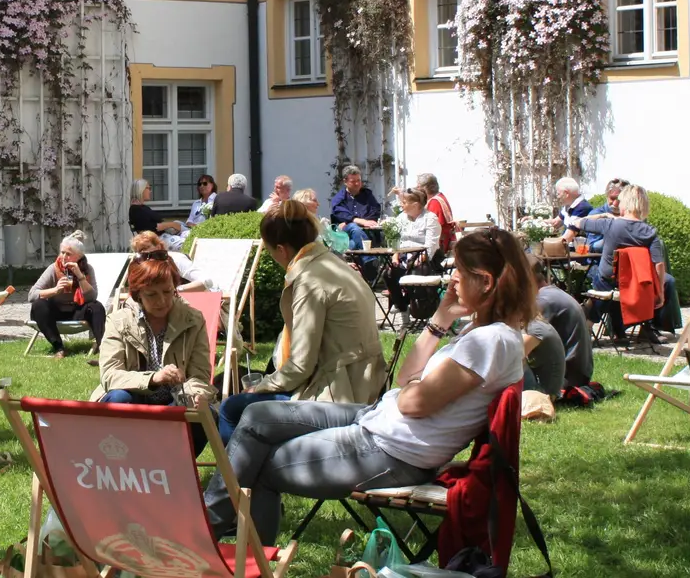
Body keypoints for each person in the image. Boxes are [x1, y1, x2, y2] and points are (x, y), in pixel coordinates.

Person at [202, 226, 532, 545]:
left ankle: (209, 537)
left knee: (260, 462)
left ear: (485, 281)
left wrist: (415, 389)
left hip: (392, 451)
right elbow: (406, 379)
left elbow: (412, 403)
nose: (452, 277)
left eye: (459, 270)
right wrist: (441, 320)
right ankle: (208, 528)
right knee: (257, 416)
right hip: (376, 419)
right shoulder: (482, 334)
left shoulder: (491, 342)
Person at [217, 201, 384, 442]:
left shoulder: (309, 281)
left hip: (341, 394)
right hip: (366, 381)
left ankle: (231, 468)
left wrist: (262, 386)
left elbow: (300, 366)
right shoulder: (333, 263)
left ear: (281, 250)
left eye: (269, 251)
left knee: (231, 408)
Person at [92, 258, 216, 454]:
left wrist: (194, 395)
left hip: (176, 401)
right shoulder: (117, 321)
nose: (162, 301)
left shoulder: (193, 319)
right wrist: (153, 378)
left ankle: (173, 466)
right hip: (133, 399)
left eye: (168, 292)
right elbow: (109, 375)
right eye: (152, 294)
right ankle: (130, 464)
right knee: (119, 398)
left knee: (202, 410)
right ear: (138, 295)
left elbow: (200, 375)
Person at [581, 183, 679, 341]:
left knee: (603, 279)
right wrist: (659, 292)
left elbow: (579, 222)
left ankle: (589, 323)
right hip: (636, 284)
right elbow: (659, 264)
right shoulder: (649, 232)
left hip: (608, 283)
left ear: (624, 203)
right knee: (658, 281)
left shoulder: (611, 224)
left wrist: (603, 215)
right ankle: (639, 328)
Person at [29, 231, 105, 359]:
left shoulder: (87, 269)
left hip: (77, 310)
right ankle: (59, 348)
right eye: (62, 252)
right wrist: (55, 290)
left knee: (97, 307)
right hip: (56, 311)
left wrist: (80, 277)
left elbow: (92, 297)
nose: (64, 257)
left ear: (79, 256)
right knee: (38, 305)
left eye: (68, 254)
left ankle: (102, 346)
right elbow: (32, 295)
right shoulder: (54, 269)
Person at [532, 255, 594, 389]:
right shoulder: (551, 293)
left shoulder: (543, 301)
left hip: (568, 379)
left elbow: (526, 343)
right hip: (579, 374)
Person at [130, 231, 214, 293]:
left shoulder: (176, 259)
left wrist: (176, 290)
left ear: (158, 246)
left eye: (146, 247)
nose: (144, 252)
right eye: (140, 250)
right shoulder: (142, 267)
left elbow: (207, 281)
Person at [329, 165, 383, 251]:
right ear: (345, 182)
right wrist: (359, 221)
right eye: (353, 181)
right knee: (353, 227)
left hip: (366, 232)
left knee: (353, 244)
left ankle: (362, 254)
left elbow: (375, 211)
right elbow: (340, 213)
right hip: (345, 234)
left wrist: (359, 222)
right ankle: (370, 257)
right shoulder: (339, 198)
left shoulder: (367, 195)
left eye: (358, 180)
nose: (357, 184)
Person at [564, 178, 623, 252]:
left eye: (620, 199)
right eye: (612, 198)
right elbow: (592, 246)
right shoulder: (596, 214)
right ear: (607, 196)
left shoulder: (630, 214)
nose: (615, 203)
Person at [128, 179, 186, 251]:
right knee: (187, 243)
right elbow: (152, 228)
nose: (150, 191)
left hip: (162, 236)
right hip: (156, 241)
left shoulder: (142, 207)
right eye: (148, 188)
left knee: (188, 234)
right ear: (141, 190)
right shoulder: (136, 210)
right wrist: (172, 224)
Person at [386, 188, 441, 262]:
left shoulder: (430, 219)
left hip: (422, 258)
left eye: (404, 203)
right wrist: (395, 257)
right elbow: (396, 238)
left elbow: (431, 246)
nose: (401, 205)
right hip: (402, 257)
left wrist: (417, 261)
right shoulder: (401, 217)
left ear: (415, 205)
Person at [523, 317, 567, 400]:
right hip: (549, 391)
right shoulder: (537, 324)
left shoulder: (534, 329)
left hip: (544, 393)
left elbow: (513, 358)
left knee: (516, 362)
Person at [416, 173, 456, 254]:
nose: (417, 188)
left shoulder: (435, 202)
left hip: (438, 247)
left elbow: (432, 227)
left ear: (428, 187)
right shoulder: (438, 198)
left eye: (419, 186)